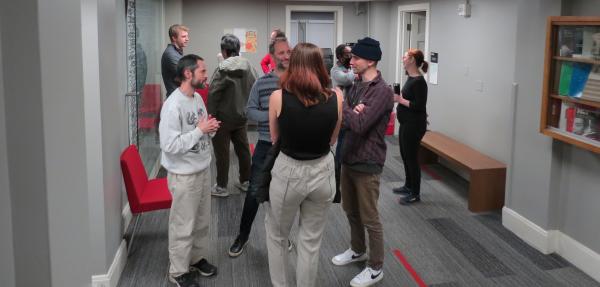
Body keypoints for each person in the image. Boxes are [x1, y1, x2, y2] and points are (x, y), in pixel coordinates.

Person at [265, 43, 343, 287]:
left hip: (289, 171)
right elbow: (333, 139)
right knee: (310, 241)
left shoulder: (278, 97)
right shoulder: (337, 97)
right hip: (323, 171)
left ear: (293, 64)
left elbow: (276, 139)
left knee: (277, 236)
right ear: (321, 65)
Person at [331, 37, 393, 287]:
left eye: (356, 58)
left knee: (370, 217)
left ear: (370, 60)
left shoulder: (382, 91)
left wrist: (343, 104)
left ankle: (376, 268)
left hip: (368, 161)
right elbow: (349, 119)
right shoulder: (356, 83)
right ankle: (357, 249)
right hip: (349, 156)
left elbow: (358, 123)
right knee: (350, 210)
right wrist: (351, 109)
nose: (351, 61)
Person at [159, 54, 221, 287]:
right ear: (188, 74)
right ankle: (178, 272)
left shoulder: (197, 99)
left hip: (203, 169)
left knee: (202, 221)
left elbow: (202, 126)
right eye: (203, 71)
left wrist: (210, 129)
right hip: (184, 176)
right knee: (183, 225)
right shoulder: (172, 105)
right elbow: (170, 146)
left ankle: (195, 259)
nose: (206, 75)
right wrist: (199, 131)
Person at [228, 36, 292, 257]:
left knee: (285, 196)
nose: (285, 56)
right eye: (281, 52)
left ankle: (283, 236)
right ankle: (242, 236)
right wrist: (273, 115)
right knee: (254, 192)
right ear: (272, 56)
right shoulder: (262, 82)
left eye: (288, 51)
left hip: (292, 147)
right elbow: (250, 111)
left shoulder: (299, 81)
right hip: (266, 145)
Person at [207, 34, 257, 197]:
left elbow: (214, 93)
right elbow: (255, 88)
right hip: (242, 117)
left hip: (222, 118)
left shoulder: (222, 68)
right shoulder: (249, 66)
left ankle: (221, 186)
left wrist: (211, 116)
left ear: (224, 51)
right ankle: (245, 181)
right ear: (238, 49)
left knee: (222, 153)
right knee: (243, 150)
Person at [393, 48, 429, 205]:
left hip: (414, 125)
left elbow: (419, 106)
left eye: (405, 56)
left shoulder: (420, 82)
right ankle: (408, 186)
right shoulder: (411, 78)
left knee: (412, 158)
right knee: (405, 155)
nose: (403, 58)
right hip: (406, 123)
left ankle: (415, 193)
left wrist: (400, 100)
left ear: (412, 60)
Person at [331, 43, 357, 195]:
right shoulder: (335, 70)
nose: (351, 56)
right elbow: (347, 80)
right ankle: (336, 182)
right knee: (341, 146)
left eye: (352, 54)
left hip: (354, 112)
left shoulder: (349, 69)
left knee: (353, 145)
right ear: (340, 56)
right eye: (348, 54)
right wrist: (355, 71)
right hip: (342, 113)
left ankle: (349, 179)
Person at [161, 24, 189, 97]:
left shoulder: (177, 52)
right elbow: (187, 77)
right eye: (183, 36)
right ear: (174, 38)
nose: (187, 39)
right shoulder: (171, 54)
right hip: (175, 98)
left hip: (180, 96)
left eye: (187, 36)